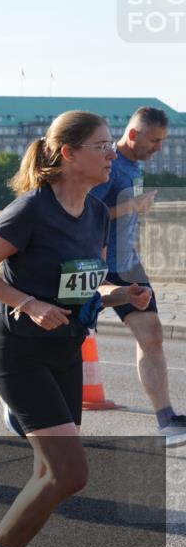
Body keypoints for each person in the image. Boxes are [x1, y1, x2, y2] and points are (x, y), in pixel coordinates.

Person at [0, 110, 152, 547]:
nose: (113, 155)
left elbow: (83, 288)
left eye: (111, 145)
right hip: (19, 352)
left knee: (52, 475)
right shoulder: (30, 210)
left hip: (65, 352)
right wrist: (28, 303)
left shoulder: (92, 212)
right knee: (71, 473)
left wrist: (120, 293)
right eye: (102, 147)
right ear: (69, 153)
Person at [88, 106, 186, 446]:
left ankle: (166, 420)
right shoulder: (109, 165)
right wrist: (133, 206)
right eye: (155, 140)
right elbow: (87, 213)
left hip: (129, 265)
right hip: (98, 267)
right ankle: (26, 404)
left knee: (152, 333)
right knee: (67, 337)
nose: (159, 147)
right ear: (133, 135)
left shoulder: (133, 165)